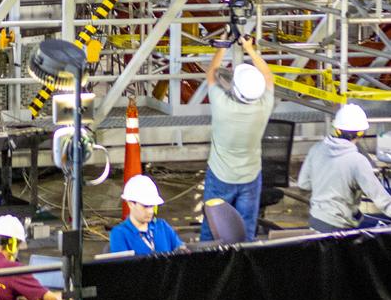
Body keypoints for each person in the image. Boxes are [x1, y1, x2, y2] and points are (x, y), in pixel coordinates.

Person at [200, 36, 275, 240]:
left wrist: (223, 45)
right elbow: (269, 77)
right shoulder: (264, 106)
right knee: (246, 230)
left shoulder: (223, 106)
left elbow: (212, 74)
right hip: (250, 176)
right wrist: (250, 49)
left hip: (220, 176)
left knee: (211, 226)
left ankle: (203, 264)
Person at [299, 103, 391, 231]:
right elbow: (380, 198)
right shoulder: (357, 161)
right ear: (361, 133)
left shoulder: (316, 149)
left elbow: (304, 184)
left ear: (336, 129)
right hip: (338, 228)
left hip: (315, 222)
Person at [109, 173, 183, 255]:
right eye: (146, 206)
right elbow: (123, 266)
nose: (150, 211)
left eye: (152, 206)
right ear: (130, 204)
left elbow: (181, 252)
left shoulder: (162, 226)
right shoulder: (120, 234)